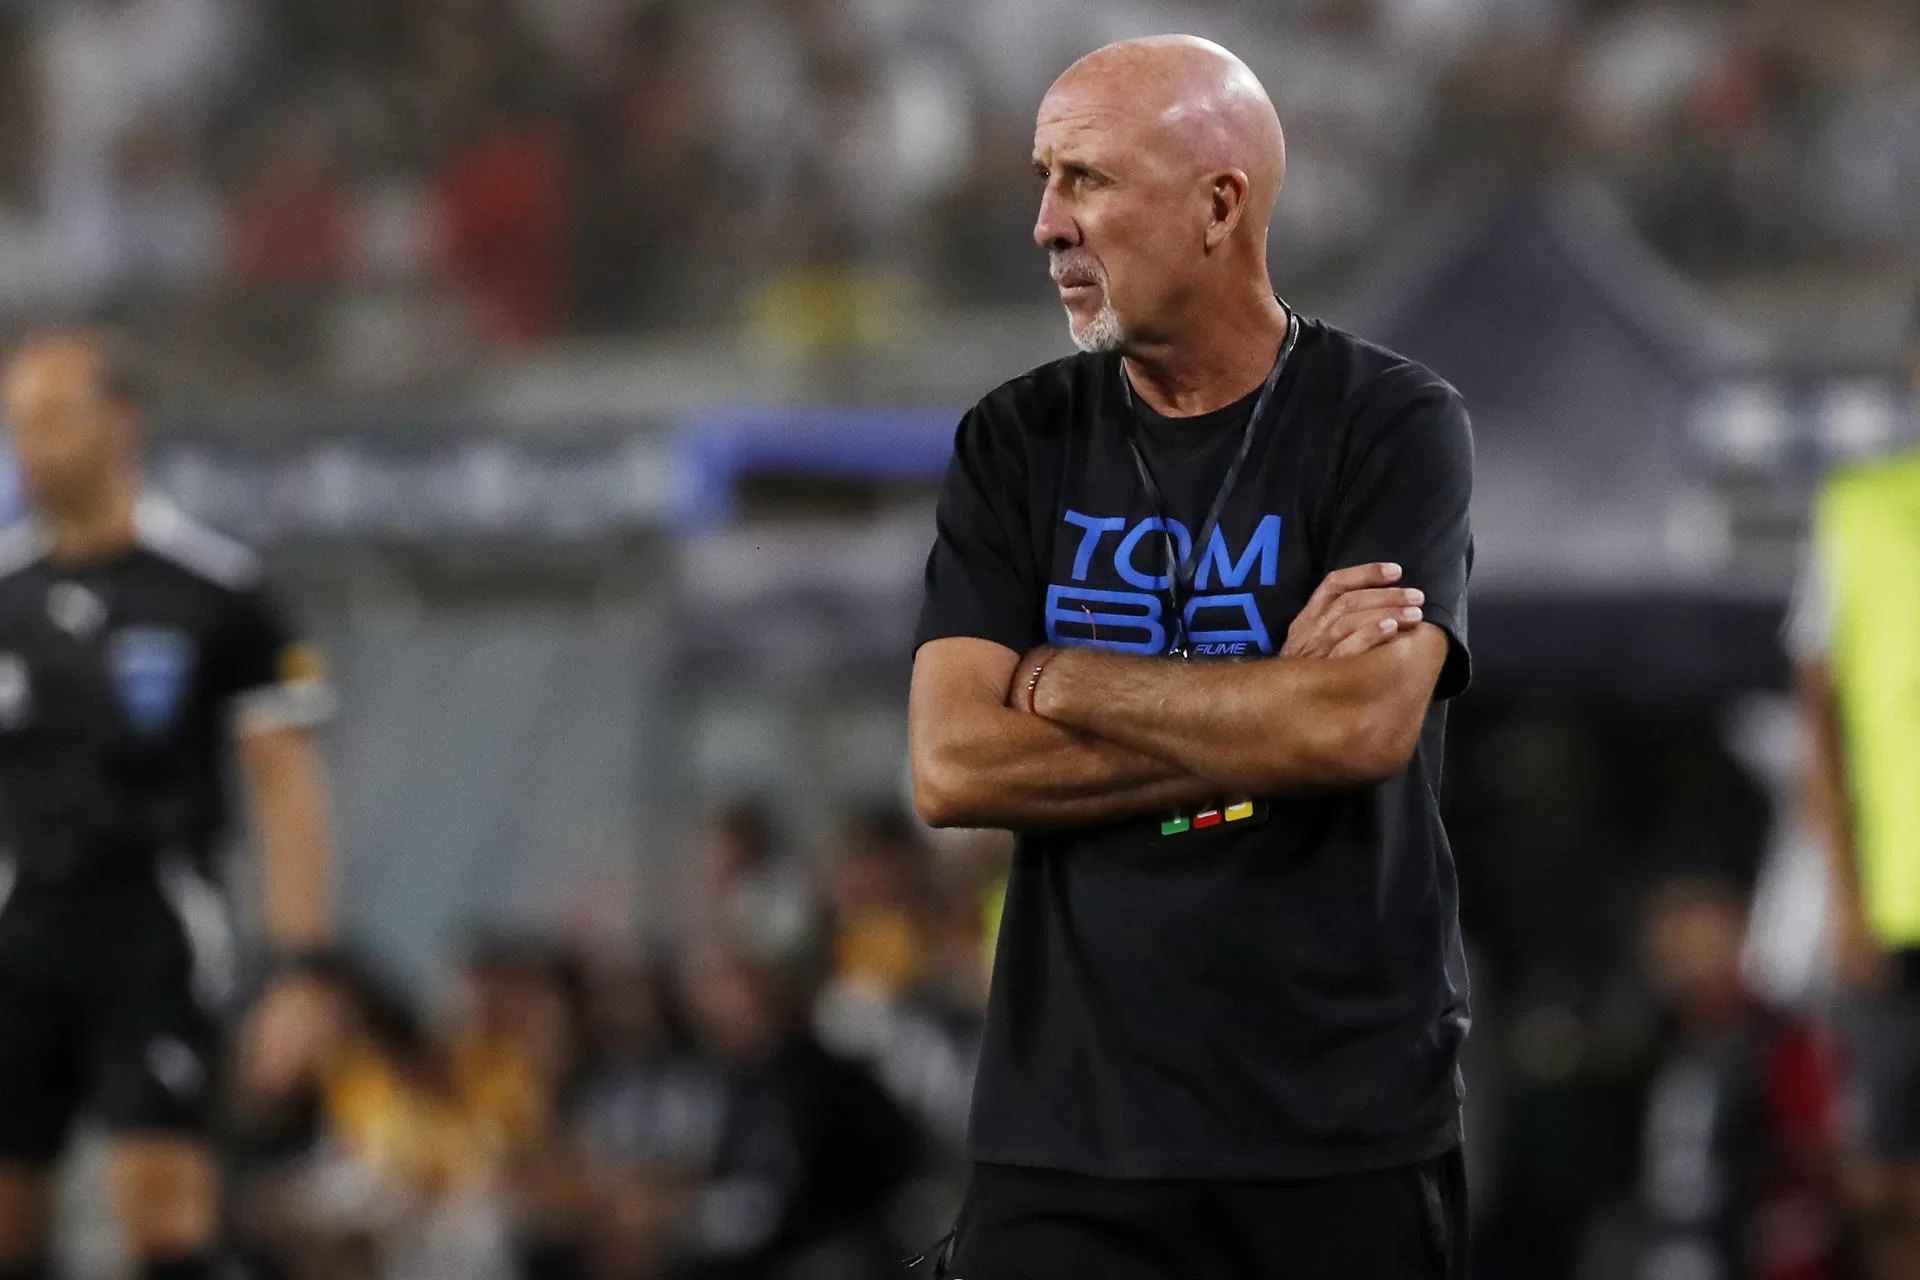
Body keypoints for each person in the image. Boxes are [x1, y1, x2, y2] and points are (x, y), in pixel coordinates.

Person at [908, 35, 1474, 1279]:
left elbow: (1358, 731)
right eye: (1046, 180)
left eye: (1089, 180)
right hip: (1069, 1140)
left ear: (1221, 204)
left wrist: (1063, 677)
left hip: (1340, 1131)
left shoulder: (1389, 422)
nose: (1049, 223)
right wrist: (1271, 706)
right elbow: (953, 763)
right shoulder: (1016, 440)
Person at [0, 329, 336, 1280]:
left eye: (54, 419)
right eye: (17, 423)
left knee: (162, 1213)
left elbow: (286, 787)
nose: (31, 446)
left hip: (154, 928)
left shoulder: (214, 591)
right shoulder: (4, 595)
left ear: (121, 423)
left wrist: (302, 967)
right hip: (21, 927)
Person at [1791, 292, 1920, 1280]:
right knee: (1880, 1173)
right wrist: (1840, 890)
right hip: (1892, 904)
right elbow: (1819, 718)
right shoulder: (1858, 508)